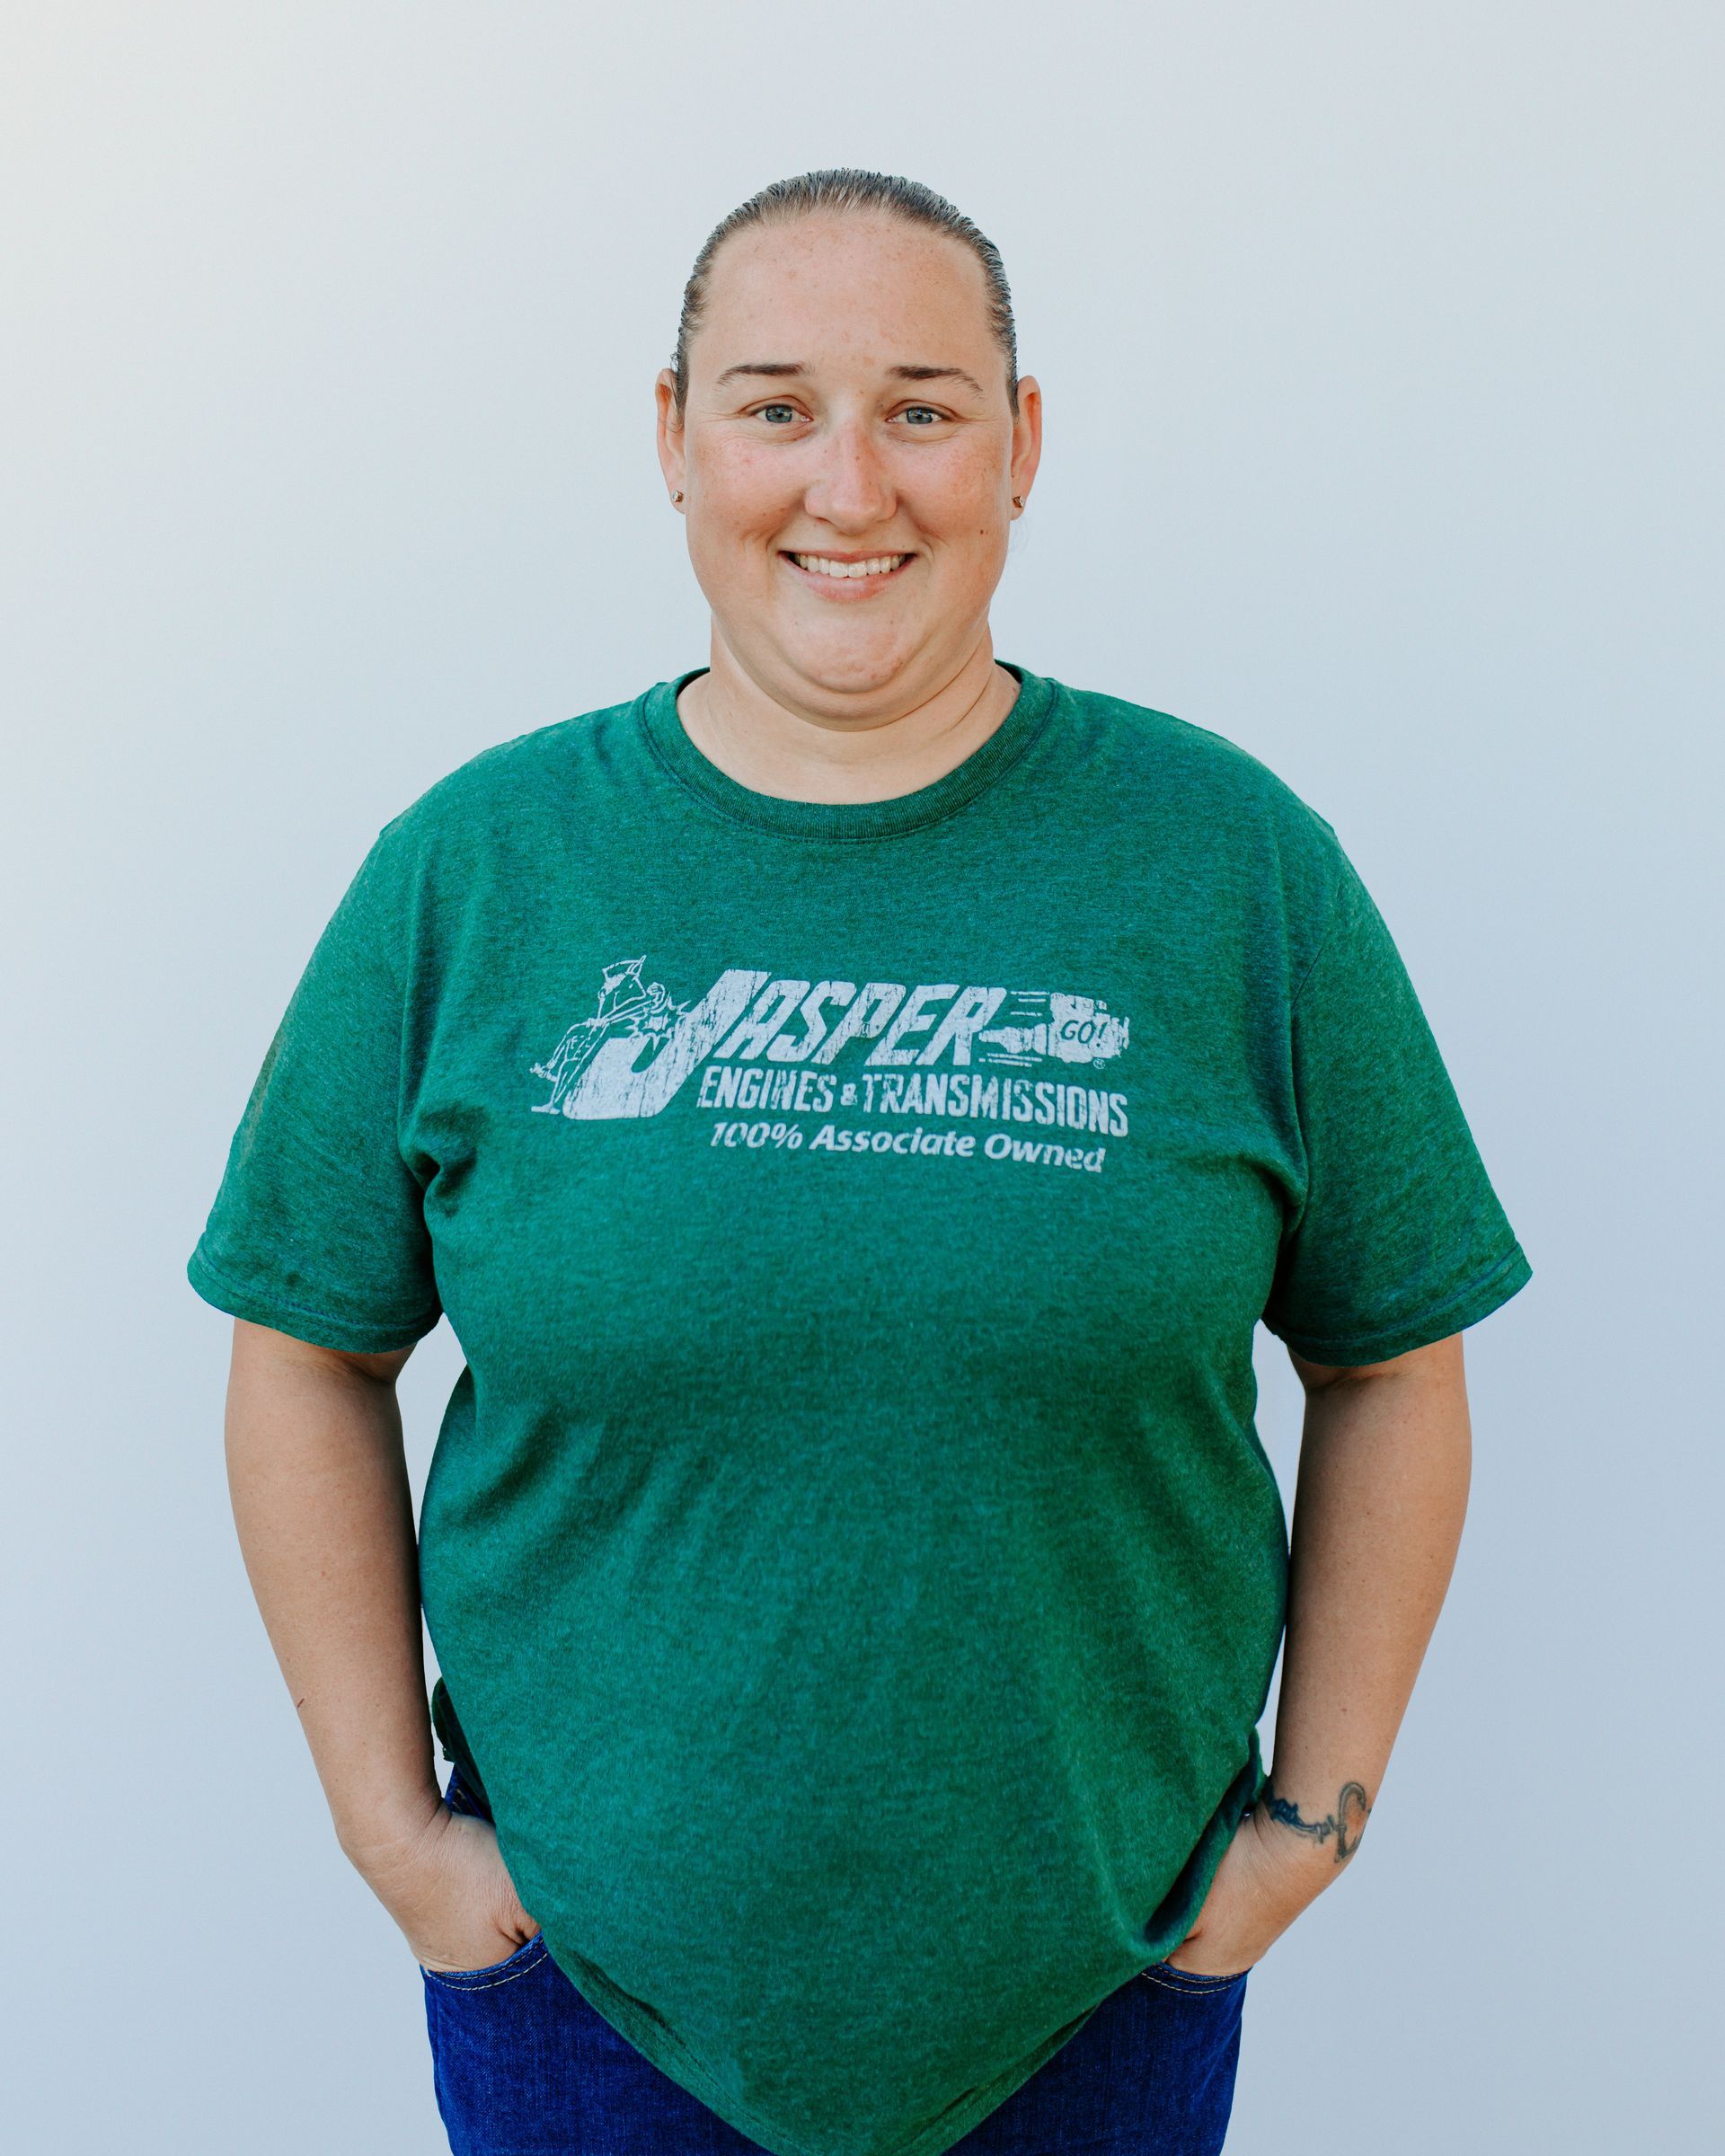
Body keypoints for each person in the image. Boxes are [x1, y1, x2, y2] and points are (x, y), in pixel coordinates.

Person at [189, 169, 1531, 2156]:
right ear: (671, 436)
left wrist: (1306, 1827)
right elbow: (303, 1346)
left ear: (1023, 443)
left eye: (921, 406)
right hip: (586, 2004)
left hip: (1101, 1991)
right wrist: (398, 1839)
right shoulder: (477, 875)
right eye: (774, 406)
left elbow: (1392, 1359)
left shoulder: (1229, 870)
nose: (849, 485)